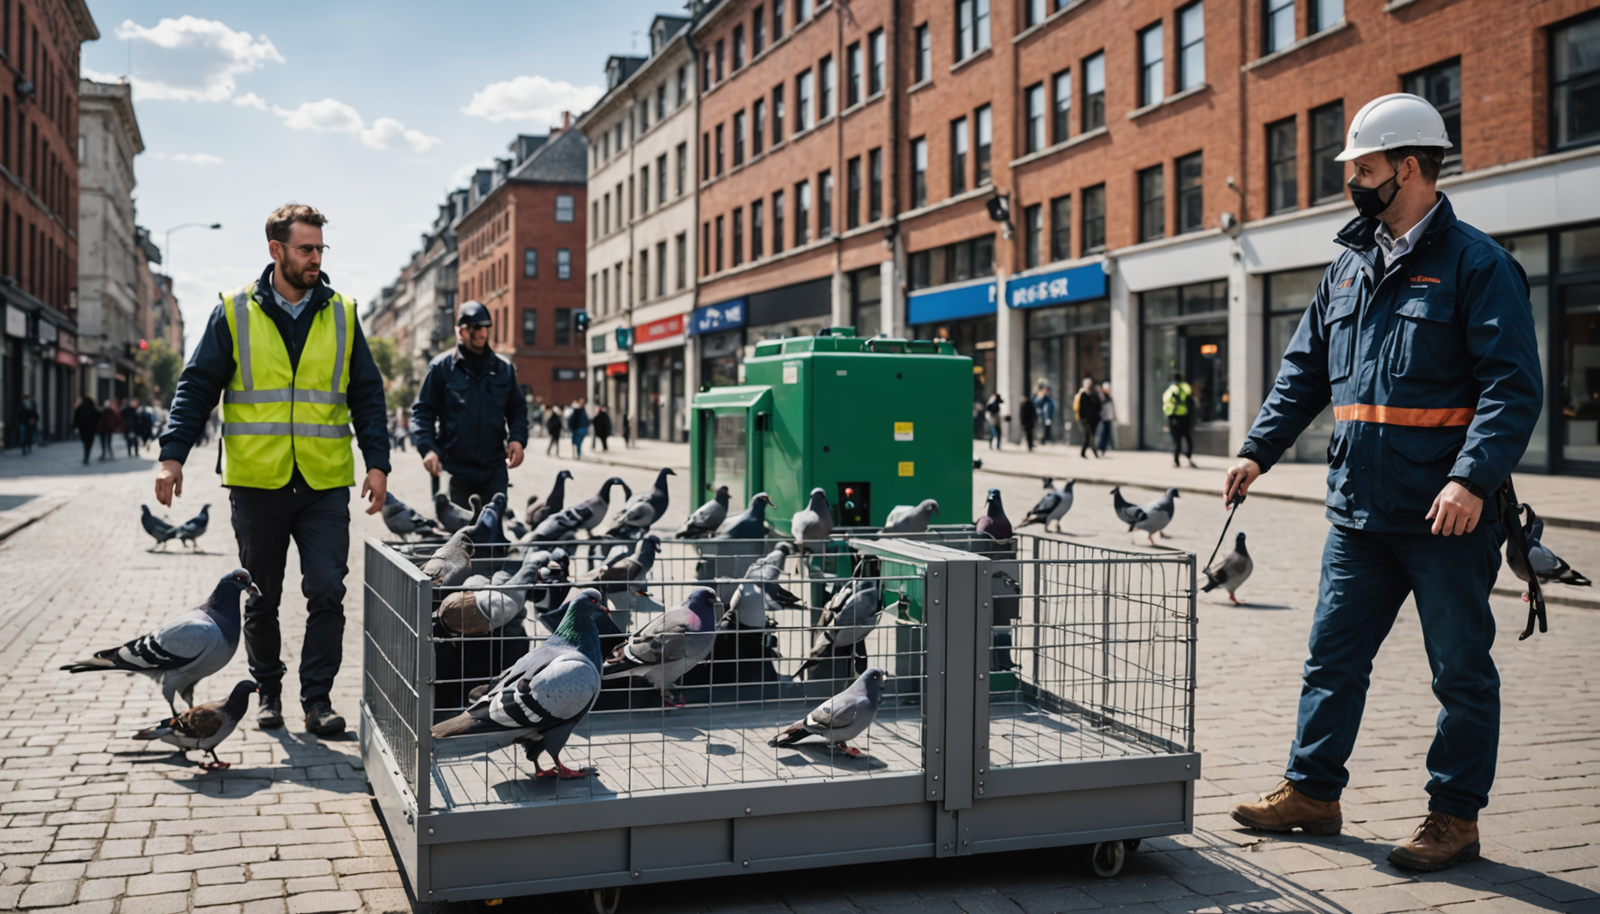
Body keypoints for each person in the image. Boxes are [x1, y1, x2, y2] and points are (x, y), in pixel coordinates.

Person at [1222, 94, 1542, 873]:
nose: (1351, 182)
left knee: (1460, 673)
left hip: (1448, 518)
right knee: (1331, 659)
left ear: (1408, 167)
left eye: (1362, 167)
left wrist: (1472, 480)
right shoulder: (1349, 266)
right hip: (1360, 509)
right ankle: (1312, 791)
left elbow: (1512, 387)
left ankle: (1454, 817)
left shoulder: (1477, 265)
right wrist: (1257, 450)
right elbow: (1305, 372)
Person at [155, 203, 391, 738]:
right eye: (306, 248)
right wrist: (173, 454)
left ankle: (318, 700)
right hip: (257, 482)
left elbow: (368, 396)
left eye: (320, 248)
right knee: (261, 598)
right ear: (276, 250)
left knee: (327, 588)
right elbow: (196, 387)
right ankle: (267, 694)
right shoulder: (234, 311)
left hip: (323, 481)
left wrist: (377, 463)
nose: (316, 258)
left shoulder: (343, 311)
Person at [410, 300, 529, 511]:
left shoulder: (503, 369)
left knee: (492, 539)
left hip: (493, 470)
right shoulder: (441, 368)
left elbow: (517, 410)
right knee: (456, 540)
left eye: (485, 327)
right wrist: (428, 449)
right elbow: (423, 412)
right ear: (461, 331)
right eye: (474, 328)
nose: (481, 333)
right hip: (454, 471)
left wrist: (517, 440)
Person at [1162, 372, 1197, 468]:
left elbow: (1165, 405)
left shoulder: (1169, 389)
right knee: (1187, 438)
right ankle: (1188, 457)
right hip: (1184, 417)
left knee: (1176, 441)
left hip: (1173, 417)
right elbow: (1191, 398)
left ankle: (1176, 461)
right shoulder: (1185, 387)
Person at [1073, 378, 1103, 459]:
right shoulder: (1081, 395)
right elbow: (1077, 408)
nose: (1089, 386)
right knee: (1088, 435)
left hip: (1093, 420)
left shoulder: (1094, 394)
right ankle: (1092, 451)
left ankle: (1085, 452)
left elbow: (1099, 406)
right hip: (1084, 420)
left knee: (1089, 435)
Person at [73, 396, 98, 465]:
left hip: (82, 428)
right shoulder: (92, 407)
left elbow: (76, 418)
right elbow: (97, 417)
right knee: (89, 443)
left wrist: (75, 427)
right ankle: (86, 456)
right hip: (91, 428)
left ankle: (86, 457)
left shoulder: (80, 407)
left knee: (85, 443)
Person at [1097, 382, 1117, 454]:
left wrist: (1114, 417)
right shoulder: (1103, 397)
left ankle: (1104, 448)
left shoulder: (1109, 397)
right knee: (1103, 433)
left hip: (1109, 418)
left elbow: (1112, 408)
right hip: (1104, 418)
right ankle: (1101, 447)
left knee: (1107, 433)